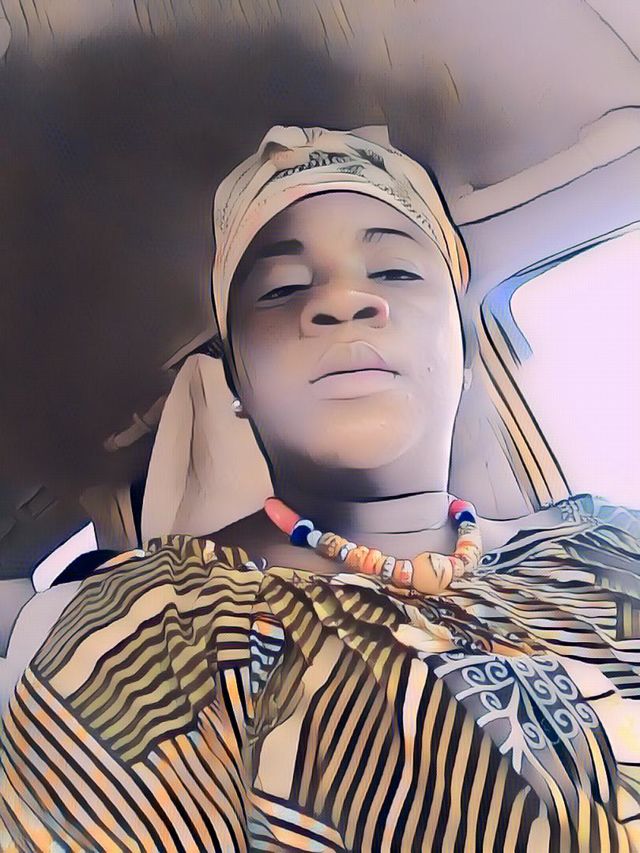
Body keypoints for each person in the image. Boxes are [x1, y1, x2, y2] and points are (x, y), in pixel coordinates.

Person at [2, 124, 640, 852]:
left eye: (395, 272)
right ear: (236, 379)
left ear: (463, 348)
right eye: (282, 289)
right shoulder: (149, 637)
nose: (343, 301)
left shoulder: (612, 541)